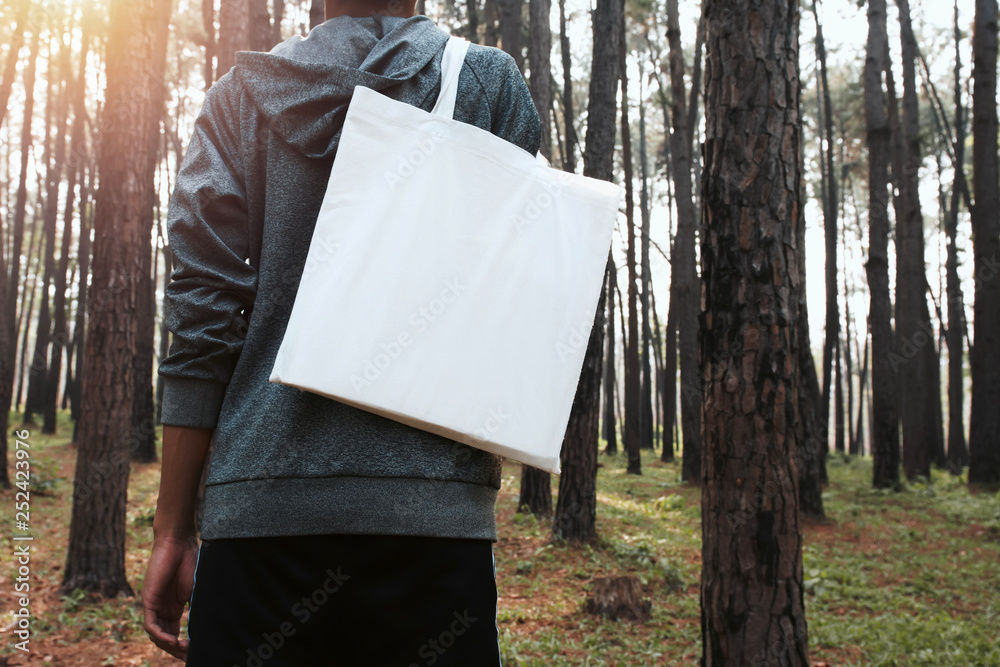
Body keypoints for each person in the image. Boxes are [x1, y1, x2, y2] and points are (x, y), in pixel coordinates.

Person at [140, 0, 541, 663]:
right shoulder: (485, 84)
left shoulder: (240, 97)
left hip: (258, 526)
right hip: (433, 532)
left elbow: (201, 311)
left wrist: (172, 527)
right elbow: (514, 298)